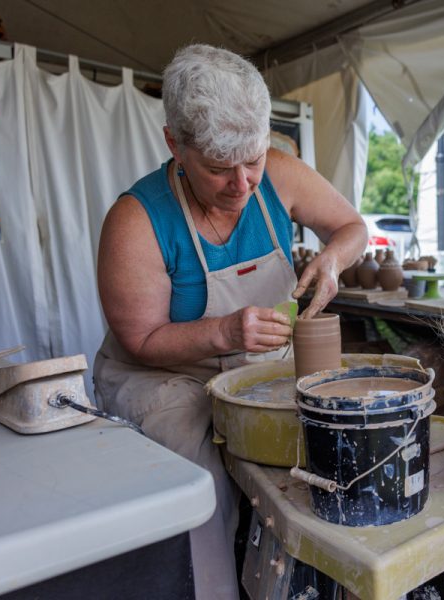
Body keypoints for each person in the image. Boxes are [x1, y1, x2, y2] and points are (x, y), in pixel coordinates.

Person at [94, 44, 367, 600]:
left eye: (254, 160)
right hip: (164, 375)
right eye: (220, 169)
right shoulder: (135, 219)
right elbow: (140, 339)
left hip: (253, 361)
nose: (242, 184)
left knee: (316, 455)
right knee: (205, 487)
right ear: (175, 143)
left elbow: (351, 227)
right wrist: (222, 331)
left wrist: (334, 260)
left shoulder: (280, 176)